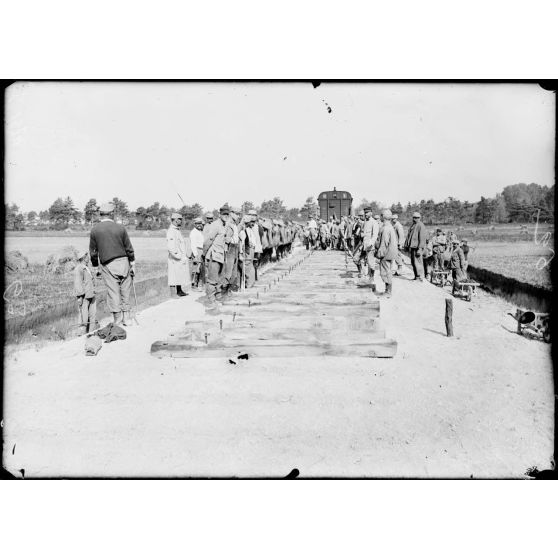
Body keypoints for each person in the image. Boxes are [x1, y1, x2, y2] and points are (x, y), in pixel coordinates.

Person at [89, 202, 135, 325]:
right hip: (124, 262)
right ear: (112, 214)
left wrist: (95, 266)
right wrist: (132, 263)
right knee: (125, 290)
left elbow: (93, 252)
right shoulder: (120, 228)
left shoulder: (95, 230)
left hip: (108, 264)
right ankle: (127, 318)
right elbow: (129, 248)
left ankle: (117, 319)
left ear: (100, 215)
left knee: (113, 292)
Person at [202, 205, 228, 309]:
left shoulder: (223, 225)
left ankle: (217, 298)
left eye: (227, 214)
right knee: (212, 280)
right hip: (214, 255)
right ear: (219, 214)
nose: (226, 216)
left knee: (218, 280)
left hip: (220, 256)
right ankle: (211, 301)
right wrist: (204, 254)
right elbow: (208, 241)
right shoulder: (215, 225)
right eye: (224, 214)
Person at [166, 212, 191, 298]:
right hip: (174, 258)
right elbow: (171, 247)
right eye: (180, 219)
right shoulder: (171, 231)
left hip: (179, 257)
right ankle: (173, 293)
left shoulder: (176, 230)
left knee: (179, 274)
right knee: (173, 275)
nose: (181, 221)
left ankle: (179, 291)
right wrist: (178, 256)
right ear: (176, 220)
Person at [375, 209, 398, 297]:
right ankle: (387, 291)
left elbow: (384, 244)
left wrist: (379, 255)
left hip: (386, 254)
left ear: (383, 217)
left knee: (385, 272)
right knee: (387, 271)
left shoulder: (385, 228)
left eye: (381, 215)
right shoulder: (390, 227)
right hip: (389, 253)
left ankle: (388, 292)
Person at [73, 249, 97, 334]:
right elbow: (78, 283)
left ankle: (91, 333)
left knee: (92, 315)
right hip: (84, 296)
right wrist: (80, 297)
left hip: (91, 294)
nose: (88, 257)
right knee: (84, 317)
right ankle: (81, 335)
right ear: (83, 258)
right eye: (86, 256)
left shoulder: (86, 268)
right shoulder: (79, 269)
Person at [221, 207, 241, 296]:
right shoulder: (228, 224)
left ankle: (229, 289)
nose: (238, 216)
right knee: (228, 270)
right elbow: (225, 237)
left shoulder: (234, 224)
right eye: (236, 213)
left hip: (235, 247)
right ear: (231, 213)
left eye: (239, 214)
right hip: (230, 248)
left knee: (233, 270)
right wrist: (226, 250)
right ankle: (224, 291)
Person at [403, 211, 427, 281]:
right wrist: (406, 246)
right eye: (414, 218)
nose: (415, 219)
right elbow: (409, 236)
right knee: (413, 262)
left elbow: (422, 238)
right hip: (413, 247)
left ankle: (420, 277)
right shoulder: (413, 225)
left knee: (418, 262)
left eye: (417, 218)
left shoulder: (420, 225)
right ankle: (416, 276)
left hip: (417, 248)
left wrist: (420, 248)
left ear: (419, 218)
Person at [362, 207, 380, 290]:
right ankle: (369, 277)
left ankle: (372, 279)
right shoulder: (366, 221)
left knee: (371, 263)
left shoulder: (374, 222)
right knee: (368, 263)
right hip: (365, 245)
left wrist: (370, 244)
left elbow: (375, 235)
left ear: (371, 213)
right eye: (365, 212)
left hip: (370, 246)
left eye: (367, 213)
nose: (365, 214)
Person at [189, 217, 205, 289]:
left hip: (201, 250)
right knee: (196, 269)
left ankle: (198, 284)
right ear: (194, 224)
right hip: (197, 251)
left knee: (200, 268)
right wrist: (195, 255)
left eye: (200, 223)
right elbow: (193, 245)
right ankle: (193, 284)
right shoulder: (193, 232)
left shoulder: (200, 231)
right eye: (197, 223)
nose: (199, 225)